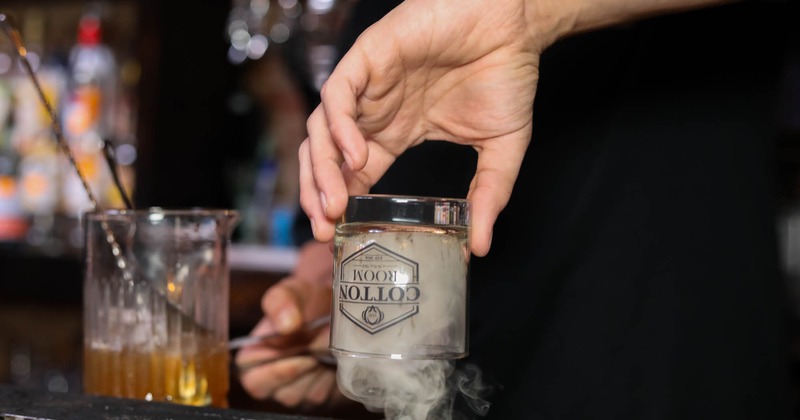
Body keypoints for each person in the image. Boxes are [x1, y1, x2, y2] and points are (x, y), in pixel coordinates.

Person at [236, 0, 799, 418]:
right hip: (467, 398)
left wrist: (523, 11)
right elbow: (385, 205)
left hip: (668, 379)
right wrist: (339, 308)